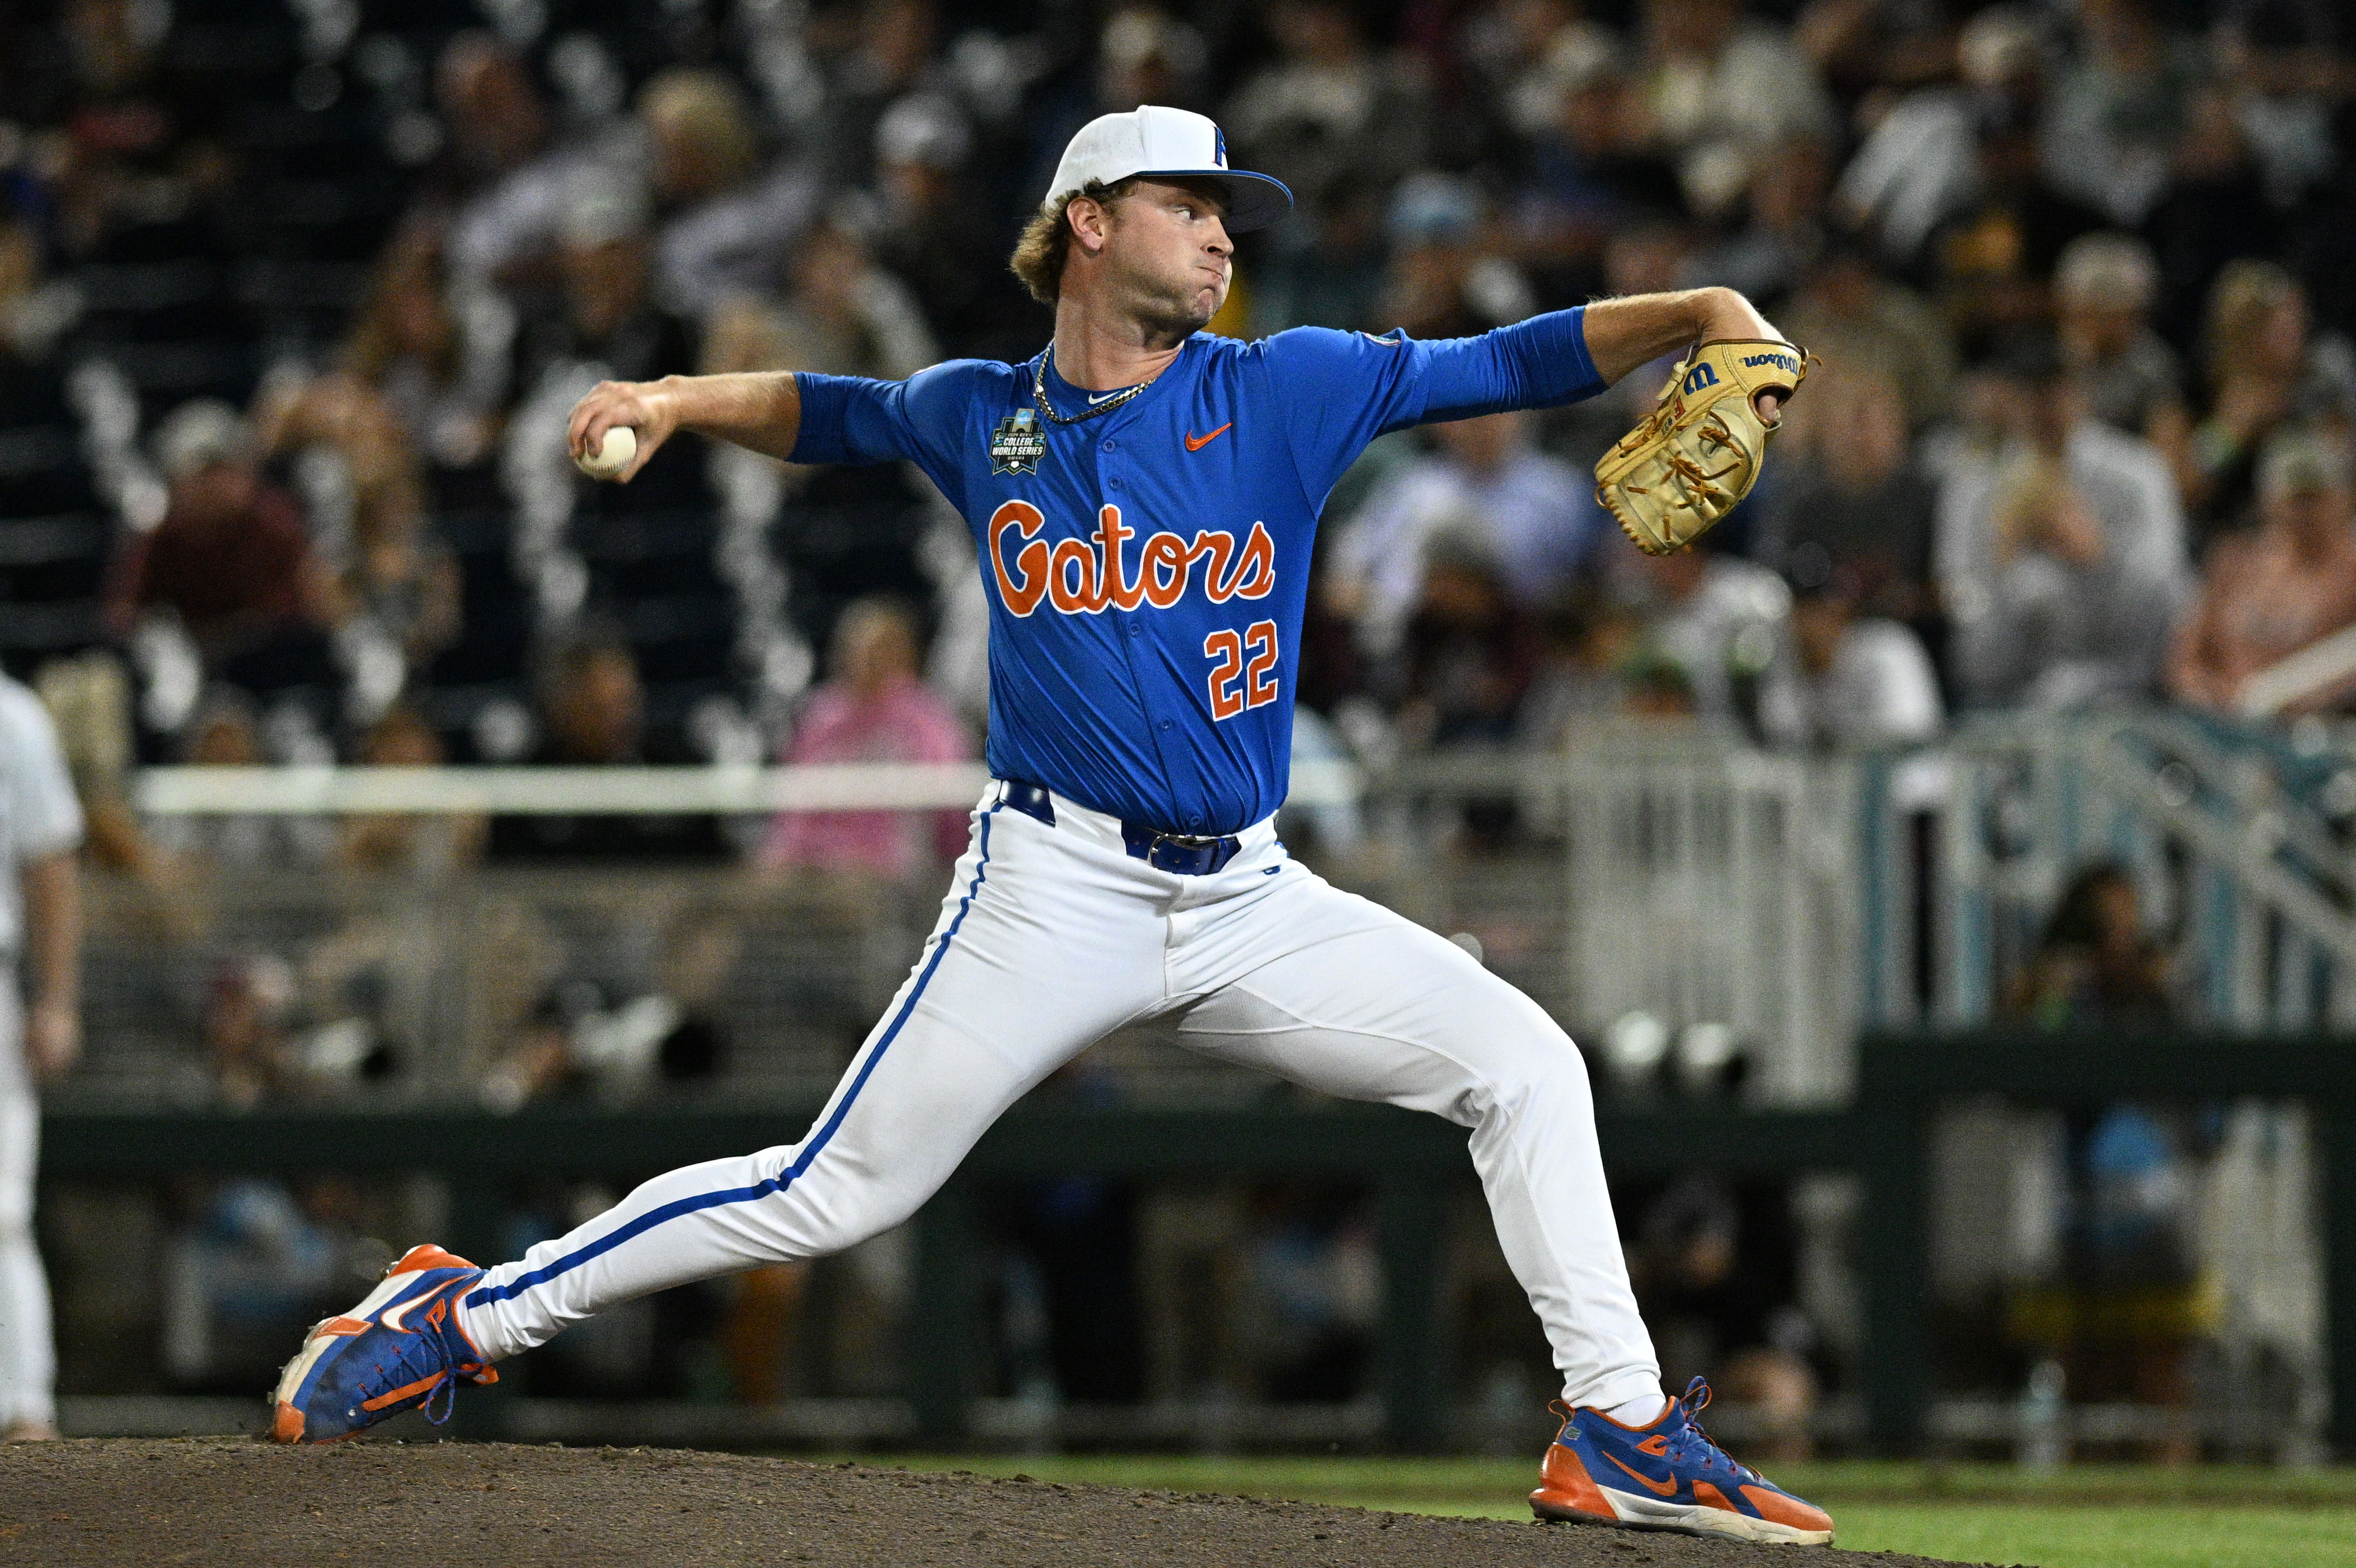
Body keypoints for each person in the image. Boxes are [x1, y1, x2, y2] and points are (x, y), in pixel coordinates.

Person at [270, 105, 1833, 1547]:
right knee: (838, 1187)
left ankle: (1616, 1426)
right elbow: (831, 411)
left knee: (1526, 1064)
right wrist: (674, 398)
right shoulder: (983, 414)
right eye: (1188, 206)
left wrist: (1696, 315)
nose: (1224, 236)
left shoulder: (1283, 382)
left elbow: (1512, 361)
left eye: (1230, 214)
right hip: (1052, 886)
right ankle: (455, 1317)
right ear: (1087, 220)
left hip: (1249, 898)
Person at [1, 672, 83, 1440]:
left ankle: (25, 1412)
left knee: (0, 1211)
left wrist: (55, 1000)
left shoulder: (12, 717)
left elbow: (51, 864)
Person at [2167, 433, 2356, 717]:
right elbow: (2185, 660)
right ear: (2269, 499)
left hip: (2321, 730)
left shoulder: (2350, 573)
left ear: (2343, 497)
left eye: (2314, 497)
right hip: (2224, 725)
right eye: (2294, 498)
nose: (2303, 511)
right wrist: (2215, 698)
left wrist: (2312, 700)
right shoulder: (2235, 563)